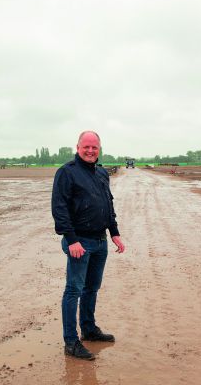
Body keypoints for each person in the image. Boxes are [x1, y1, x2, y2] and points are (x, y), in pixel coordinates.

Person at [51, 130, 126, 360]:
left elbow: (107, 203)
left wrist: (114, 232)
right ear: (78, 147)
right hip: (79, 242)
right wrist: (71, 239)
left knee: (92, 288)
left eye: (95, 147)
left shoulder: (102, 173)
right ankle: (71, 341)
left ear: (99, 148)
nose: (91, 150)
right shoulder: (66, 172)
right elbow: (59, 208)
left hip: (100, 241)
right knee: (73, 290)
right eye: (87, 147)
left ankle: (89, 329)